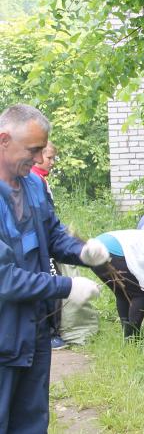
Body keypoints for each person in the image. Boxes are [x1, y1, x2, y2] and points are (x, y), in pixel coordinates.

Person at [0, 104, 110, 433]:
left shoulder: (32, 186)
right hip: (3, 332)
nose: (38, 159)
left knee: (33, 421)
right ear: (3, 140)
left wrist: (83, 251)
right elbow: (4, 278)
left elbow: (53, 234)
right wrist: (66, 288)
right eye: (33, 150)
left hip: (34, 329)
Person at [91, 229, 144, 338]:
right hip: (113, 250)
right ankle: (133, 339)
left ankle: (127, 337)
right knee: (139, 293)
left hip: (94, 248)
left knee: (122, 293)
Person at [30, 141, 68, 349]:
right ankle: (52, 333)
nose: (52, 162)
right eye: (49, 157)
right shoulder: (34, 180)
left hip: (47, 240)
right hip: (42, 246)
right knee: (54, 282)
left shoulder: (40, 180)